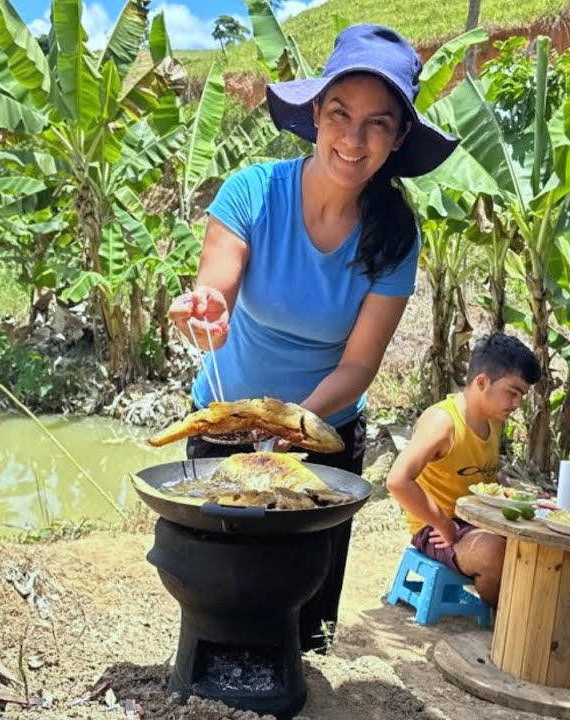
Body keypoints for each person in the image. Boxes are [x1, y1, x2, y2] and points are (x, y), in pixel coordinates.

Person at [166, 25, 459, 654]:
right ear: (315, 116)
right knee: (216, 584)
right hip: (223, 419)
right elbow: (215, 287)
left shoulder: (394, 233)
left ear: (399, 137)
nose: (354, 140)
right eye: (340, 115)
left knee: (298, 613)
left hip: (323, 433)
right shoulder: (253, 190)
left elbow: (359, 364)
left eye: (377, 124)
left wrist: (294, 424)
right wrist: (205, 310)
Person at [385, 333, 540, 605]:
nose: (517, 405)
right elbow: (398, 481)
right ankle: (508, 618)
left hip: (478, 521)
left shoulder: (493, 420)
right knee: (497, 552)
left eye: (521, 397)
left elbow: (482, 474)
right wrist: (442, 523)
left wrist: (516, 493)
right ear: (482, 382)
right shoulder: (443, 422)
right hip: (437, 529)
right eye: (513, 393)